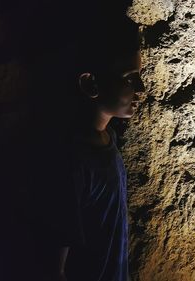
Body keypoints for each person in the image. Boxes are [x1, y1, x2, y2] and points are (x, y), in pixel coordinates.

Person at [56, 14, 146, 281]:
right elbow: (55, 268)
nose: (140, 88)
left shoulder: (107, 139)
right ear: (90, 84)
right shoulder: (73, 163)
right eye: (129, 79)